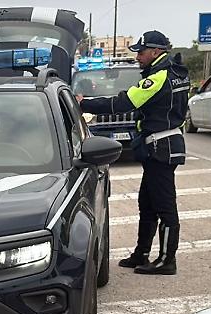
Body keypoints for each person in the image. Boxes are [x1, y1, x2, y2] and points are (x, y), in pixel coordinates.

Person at [78, 31, 190, 275]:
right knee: (147, 204)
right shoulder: (176, 72)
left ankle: (167, 261)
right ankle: (141, 254)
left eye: (141, 52)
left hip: (162, 147)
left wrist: (83, 103)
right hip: (161, 146)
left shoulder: (159, 77)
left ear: (156, 51)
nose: (138, 56)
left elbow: (124, 103)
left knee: (164, 206)